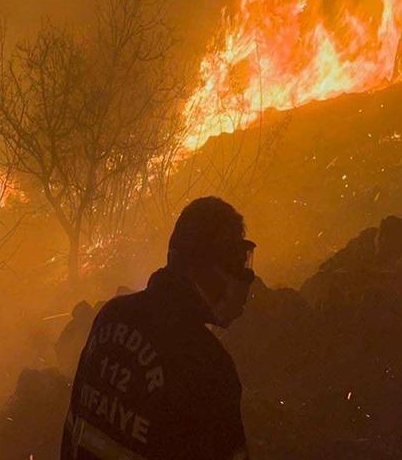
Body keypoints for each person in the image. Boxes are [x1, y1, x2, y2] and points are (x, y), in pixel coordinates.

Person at [61, 196, 256, 460]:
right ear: (197, 265)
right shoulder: (208, 365)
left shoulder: (111, 315)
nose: (243, 276)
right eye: (232, 261)